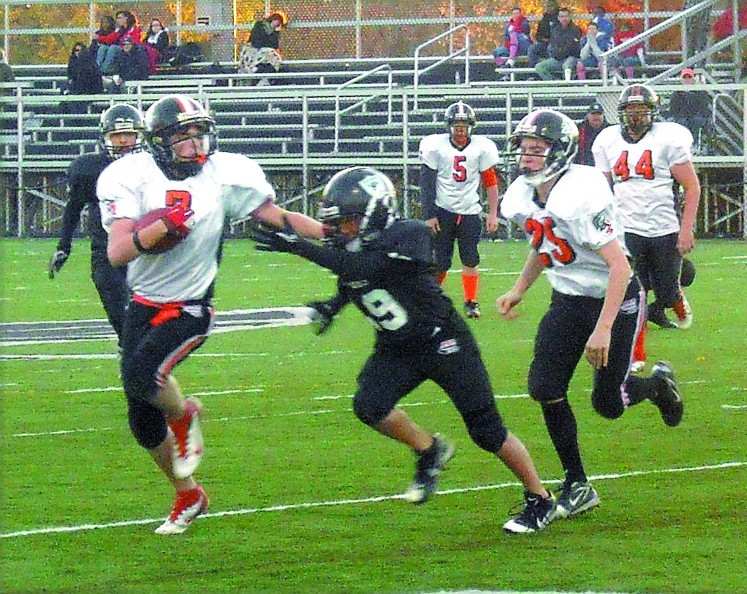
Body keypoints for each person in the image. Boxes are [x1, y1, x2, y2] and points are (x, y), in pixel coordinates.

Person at [253, 166, 559, 534]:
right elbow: (355, 278)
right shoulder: (351, 243)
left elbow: (367, 266)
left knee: (487, 431)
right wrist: (333, 305)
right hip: (396, 347)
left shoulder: (410, 234)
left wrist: (302, 248)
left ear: (376, 211)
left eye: (349, 221)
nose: (342, 229)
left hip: (443, 342)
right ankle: (429, 450)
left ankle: (540, 497)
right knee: (369, 405)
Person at [96, 94, 326, 535]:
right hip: (142, 301)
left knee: (143, 377)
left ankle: (183, 416)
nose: (195, 145)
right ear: (159, 142)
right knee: (142, 419)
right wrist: (159, 230)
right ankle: (188, 493)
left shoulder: (225, 173)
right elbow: (118, 252)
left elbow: (274, 215)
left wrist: (330, 235)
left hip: (191, 306)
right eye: (182, 137)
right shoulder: (128, 175)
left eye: (199, 133)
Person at [497, 108, 685, 521]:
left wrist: (602, 329)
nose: (527, 157)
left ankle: (655, 386)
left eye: (537, 150)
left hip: (613, 302)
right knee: (544, 386)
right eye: (524, 149)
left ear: (560, 152)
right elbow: (543, 242)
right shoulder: (525, 194)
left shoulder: (580, 193)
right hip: (567, 300)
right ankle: (577, 483)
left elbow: (621, 267)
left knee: (609, 403)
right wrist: (519, 288)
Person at [592, 84, 699, 371]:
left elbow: (692, 186)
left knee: (665, 291)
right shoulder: (607, 140)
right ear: (622, 113)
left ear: (653, 112)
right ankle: (636, 354)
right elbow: (602, 190)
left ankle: (675, 298)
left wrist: (686, 229)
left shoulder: (668, 139)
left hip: (664, 227)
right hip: (626, 230)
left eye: (642, 110)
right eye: (631, 110)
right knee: (633, 295)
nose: (636, 116)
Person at [48, 104, 145, 345]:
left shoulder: (152, 167)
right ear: (105, 138)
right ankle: (131, 352)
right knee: (119, 312)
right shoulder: (91, 169)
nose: (123, 141)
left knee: (146, 317)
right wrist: (64, 246)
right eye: (117, 135)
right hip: (107, 252)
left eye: (129, 134)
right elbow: (74, 206)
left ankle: (137, 357)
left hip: (146, 249)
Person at [418, 101, 500, 319]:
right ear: (449, 126)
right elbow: (426, 182)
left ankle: (471, 301)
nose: (460, 129)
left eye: (464, 125)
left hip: (470, 212)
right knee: (441, 261)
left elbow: (490, 183)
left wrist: (493, 213)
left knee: (470, 258)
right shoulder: (436, 147)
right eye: (456, 125)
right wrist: (429, 214)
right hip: (443, 210)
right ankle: (430, 300)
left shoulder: (481, 148)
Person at [239, 10, 289, 81]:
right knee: (268, 53)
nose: (276, 24)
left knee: (273, 56)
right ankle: (253, 69)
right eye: (276, 20)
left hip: (264, 51)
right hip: (253, 49)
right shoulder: (259, 25)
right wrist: (267, 42)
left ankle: (258, 71)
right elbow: (256, 41)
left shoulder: (274, 31)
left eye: (278, 23)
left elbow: (274, 45)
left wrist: (276, 32)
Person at [535, 8, 582, 81]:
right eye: (562, 16)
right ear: (558, 18)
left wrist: (559, 53)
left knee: (567, 65)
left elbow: (572, 47)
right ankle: (555, 83)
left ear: (570, 17)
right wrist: (554, 54)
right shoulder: (555, 30)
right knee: (539, 67)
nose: (564, 18)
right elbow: (553, 44)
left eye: (566, 16)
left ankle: (568, 87)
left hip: (572, 57)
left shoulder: (576, 29)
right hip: (557, 58)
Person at [668, 68, 712, 147]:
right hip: (681, 117)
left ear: (693, 79)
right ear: (681, 79)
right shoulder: (676, 93)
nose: (687, 79)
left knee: (697, 121)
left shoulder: (701, 92)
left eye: (689, 77)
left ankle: (694, 144)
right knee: (682, 123)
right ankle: (684, 145)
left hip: (697, 116)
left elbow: (704, 107)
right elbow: (673, 109)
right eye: (685, 77)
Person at [63, 42, 102, 113]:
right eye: (76, 50)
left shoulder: (90, 63)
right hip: (77, 89)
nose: (78, 52)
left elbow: (91, 79)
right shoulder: (72, 61)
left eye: (80, 50)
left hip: (89, 90)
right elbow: (71, 76)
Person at [527, 0, 560, 68]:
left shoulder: (560, 18)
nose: (549, 8)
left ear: (556, 6)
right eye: (547, 6)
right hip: (544, 44)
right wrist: (542, 39)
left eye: (551, 6)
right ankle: (532, 73)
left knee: (550, 48)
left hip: (557, 45)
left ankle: (553, 69)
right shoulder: (544, 20)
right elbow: (538, 35)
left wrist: (552, 40)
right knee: (532, 48)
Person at [576, 101, 609, 165]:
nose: (596, 116)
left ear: (603, 115)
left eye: (599, 114)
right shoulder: (579, 129)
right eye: (593, 114)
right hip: (583, 167)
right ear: (588, 115)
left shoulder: (610, 130)